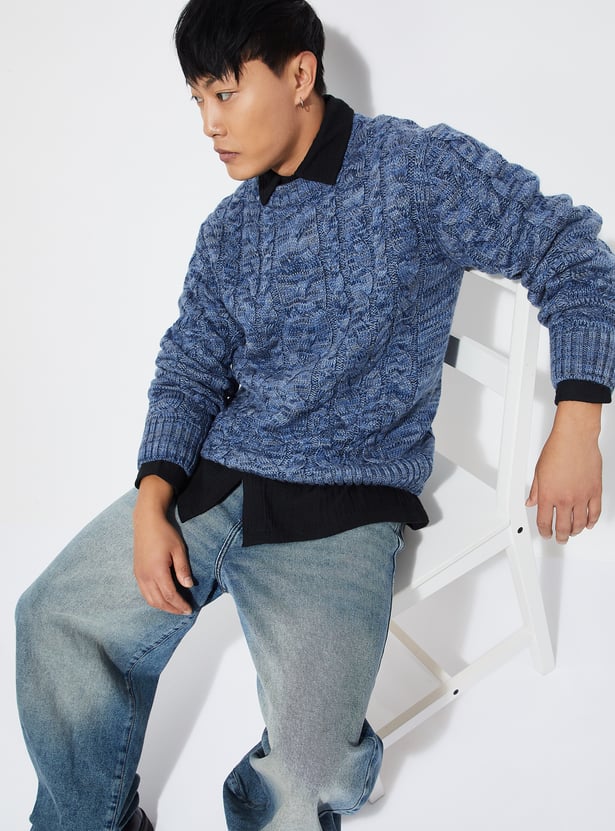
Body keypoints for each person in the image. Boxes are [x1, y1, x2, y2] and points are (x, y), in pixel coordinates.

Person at [15, 1, 615, 829]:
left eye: (225, 92)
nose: (209, 124)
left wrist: (577, 419)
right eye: (197, 99)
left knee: (312, 773)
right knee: (53, 618)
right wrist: (154, 497)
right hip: (216, 479)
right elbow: (189, 367)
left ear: (299, 74)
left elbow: (571, 252)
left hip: (344, 504)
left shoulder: (413, 169)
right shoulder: (228, 231)